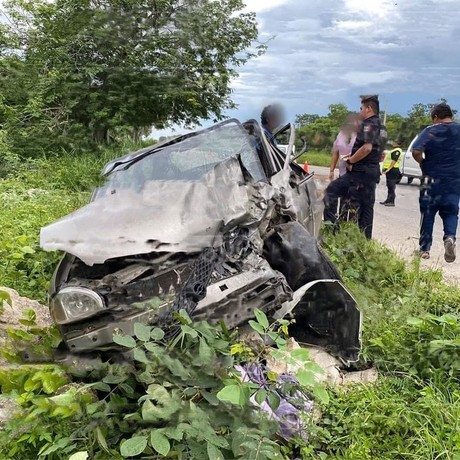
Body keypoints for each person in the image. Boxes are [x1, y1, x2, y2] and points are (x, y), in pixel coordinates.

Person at [324, 95, 384, 239]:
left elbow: (367, 148)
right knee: (366, 207)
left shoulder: (369, 124)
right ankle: (364, 241)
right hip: (371, 172)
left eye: (362, 108)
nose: (361, 111)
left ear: (369, 108)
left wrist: (350, 161)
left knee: (331, 191)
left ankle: (332, 230)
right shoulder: (380, 126)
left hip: (360, 173)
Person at [412, 102, 460, 262]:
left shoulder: (430, 130)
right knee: (451, 212)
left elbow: (416, 151)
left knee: (428, 213)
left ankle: (424, 249)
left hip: (431, 180)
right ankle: (450, 238)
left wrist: (423, 163)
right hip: (454, 181)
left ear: (435, 117)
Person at [329, 113, 361, 180]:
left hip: (356, 172)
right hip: (343, 172)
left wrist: (351, 157)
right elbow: (336, 153)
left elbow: (364, 151)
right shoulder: (341, 134)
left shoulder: (361, 135)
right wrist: (332, 170)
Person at [380, 142, 403, 207]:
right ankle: (388, 200)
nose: (393, 143)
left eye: (395, 142)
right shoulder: (394, 150)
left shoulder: (397, 151)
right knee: (389, 185)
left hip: (393, 169)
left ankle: (391, 201)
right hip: (390, 170)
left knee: (391, 186)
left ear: (398, 144)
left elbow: (394, 160)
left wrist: (389, 168)